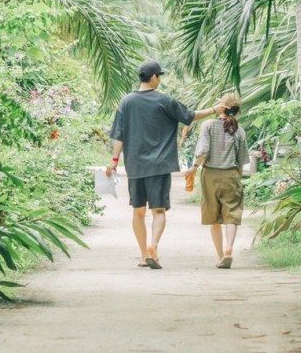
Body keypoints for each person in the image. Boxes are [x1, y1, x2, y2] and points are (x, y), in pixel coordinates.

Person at [106, 60, 224, 269]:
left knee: (138, 211)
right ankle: (153, 246)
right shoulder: (165, 101)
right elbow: (190, 116)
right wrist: (215, 109)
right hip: (159, 166)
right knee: (158, 211)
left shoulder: (126, 102)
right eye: (159, 76)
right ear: (153, 77)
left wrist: (114, 161)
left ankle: (144, 255)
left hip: (135, 166)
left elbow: (119, 136)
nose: (159, 80)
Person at [184, 93, 248, 269]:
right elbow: (242, 160)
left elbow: (203, 150)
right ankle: (228, 250)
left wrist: (194, 167)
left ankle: (220, 256)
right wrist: (237, 178)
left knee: (214, 217)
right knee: (232, 215)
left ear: (221, 107)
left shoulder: (208, 125)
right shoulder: (240, 131)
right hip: (231, 175)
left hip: (210, 175)